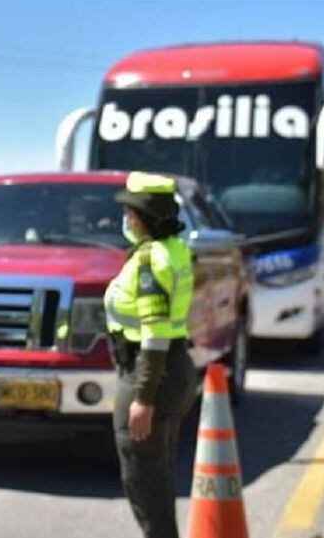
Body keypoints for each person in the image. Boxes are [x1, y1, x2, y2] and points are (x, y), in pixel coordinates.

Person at [104, 171, 197, 538]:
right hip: (174, 370)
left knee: (144, 485)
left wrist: (143, 397)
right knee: (157, 478)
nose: (126, 220)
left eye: (132, 213)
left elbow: (155, 333)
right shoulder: (174, 249)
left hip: (150, 373)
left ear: (148, 218)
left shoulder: (149, 262)